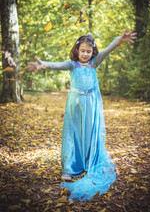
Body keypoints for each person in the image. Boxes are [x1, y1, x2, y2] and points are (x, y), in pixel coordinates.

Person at [27, 29, 137, 201]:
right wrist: (43, 65)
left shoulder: (94, 63)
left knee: (90, 134)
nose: (85, 54)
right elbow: (57, 65)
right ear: (77, 50)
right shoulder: (73, 65)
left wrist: (120, 40)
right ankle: (70, 168)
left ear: (92, 52)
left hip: (91, 106)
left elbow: (108, 49)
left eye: (88, 51)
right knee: (73, 135)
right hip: (75, 107)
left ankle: (88, 163)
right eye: (82, 51)